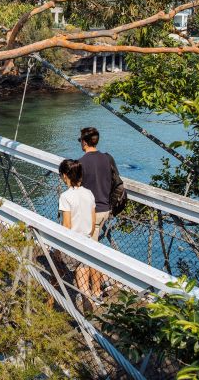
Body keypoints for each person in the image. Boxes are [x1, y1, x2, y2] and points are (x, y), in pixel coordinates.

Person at [78, 127, 119, 297]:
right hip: (105, 210)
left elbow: (77, 189)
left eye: (80, 140)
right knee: (94, 247)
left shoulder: (80, 163)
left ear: (85, 142)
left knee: (87, 254)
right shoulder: (107, 158)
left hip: (90, 213)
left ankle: (92, 293)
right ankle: (100, 285)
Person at [58, 159, 96, 309]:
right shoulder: (89, 194)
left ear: (65, 176)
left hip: (70, 246)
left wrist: (58, 249)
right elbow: (93, 224)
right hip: (85, 243)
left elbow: (66, 225)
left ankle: (49, 307)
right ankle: (89, 315)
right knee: (84, 287)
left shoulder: (65, 196)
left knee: (55, 275)